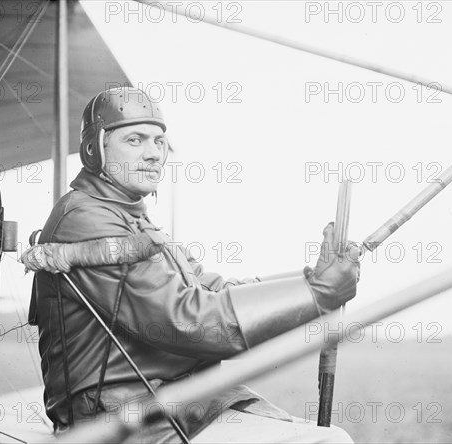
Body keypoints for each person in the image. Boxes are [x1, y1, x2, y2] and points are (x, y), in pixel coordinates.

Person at [22, 87, 360, 443]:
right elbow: (188, 321)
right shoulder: (87, 218)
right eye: (135, 140)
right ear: (95, 149)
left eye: (159, 141)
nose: (154, 154)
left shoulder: (134, 221)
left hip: (171, 400)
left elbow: (211, 290)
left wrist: (310, 280)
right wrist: (317, 293)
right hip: (118, 418)